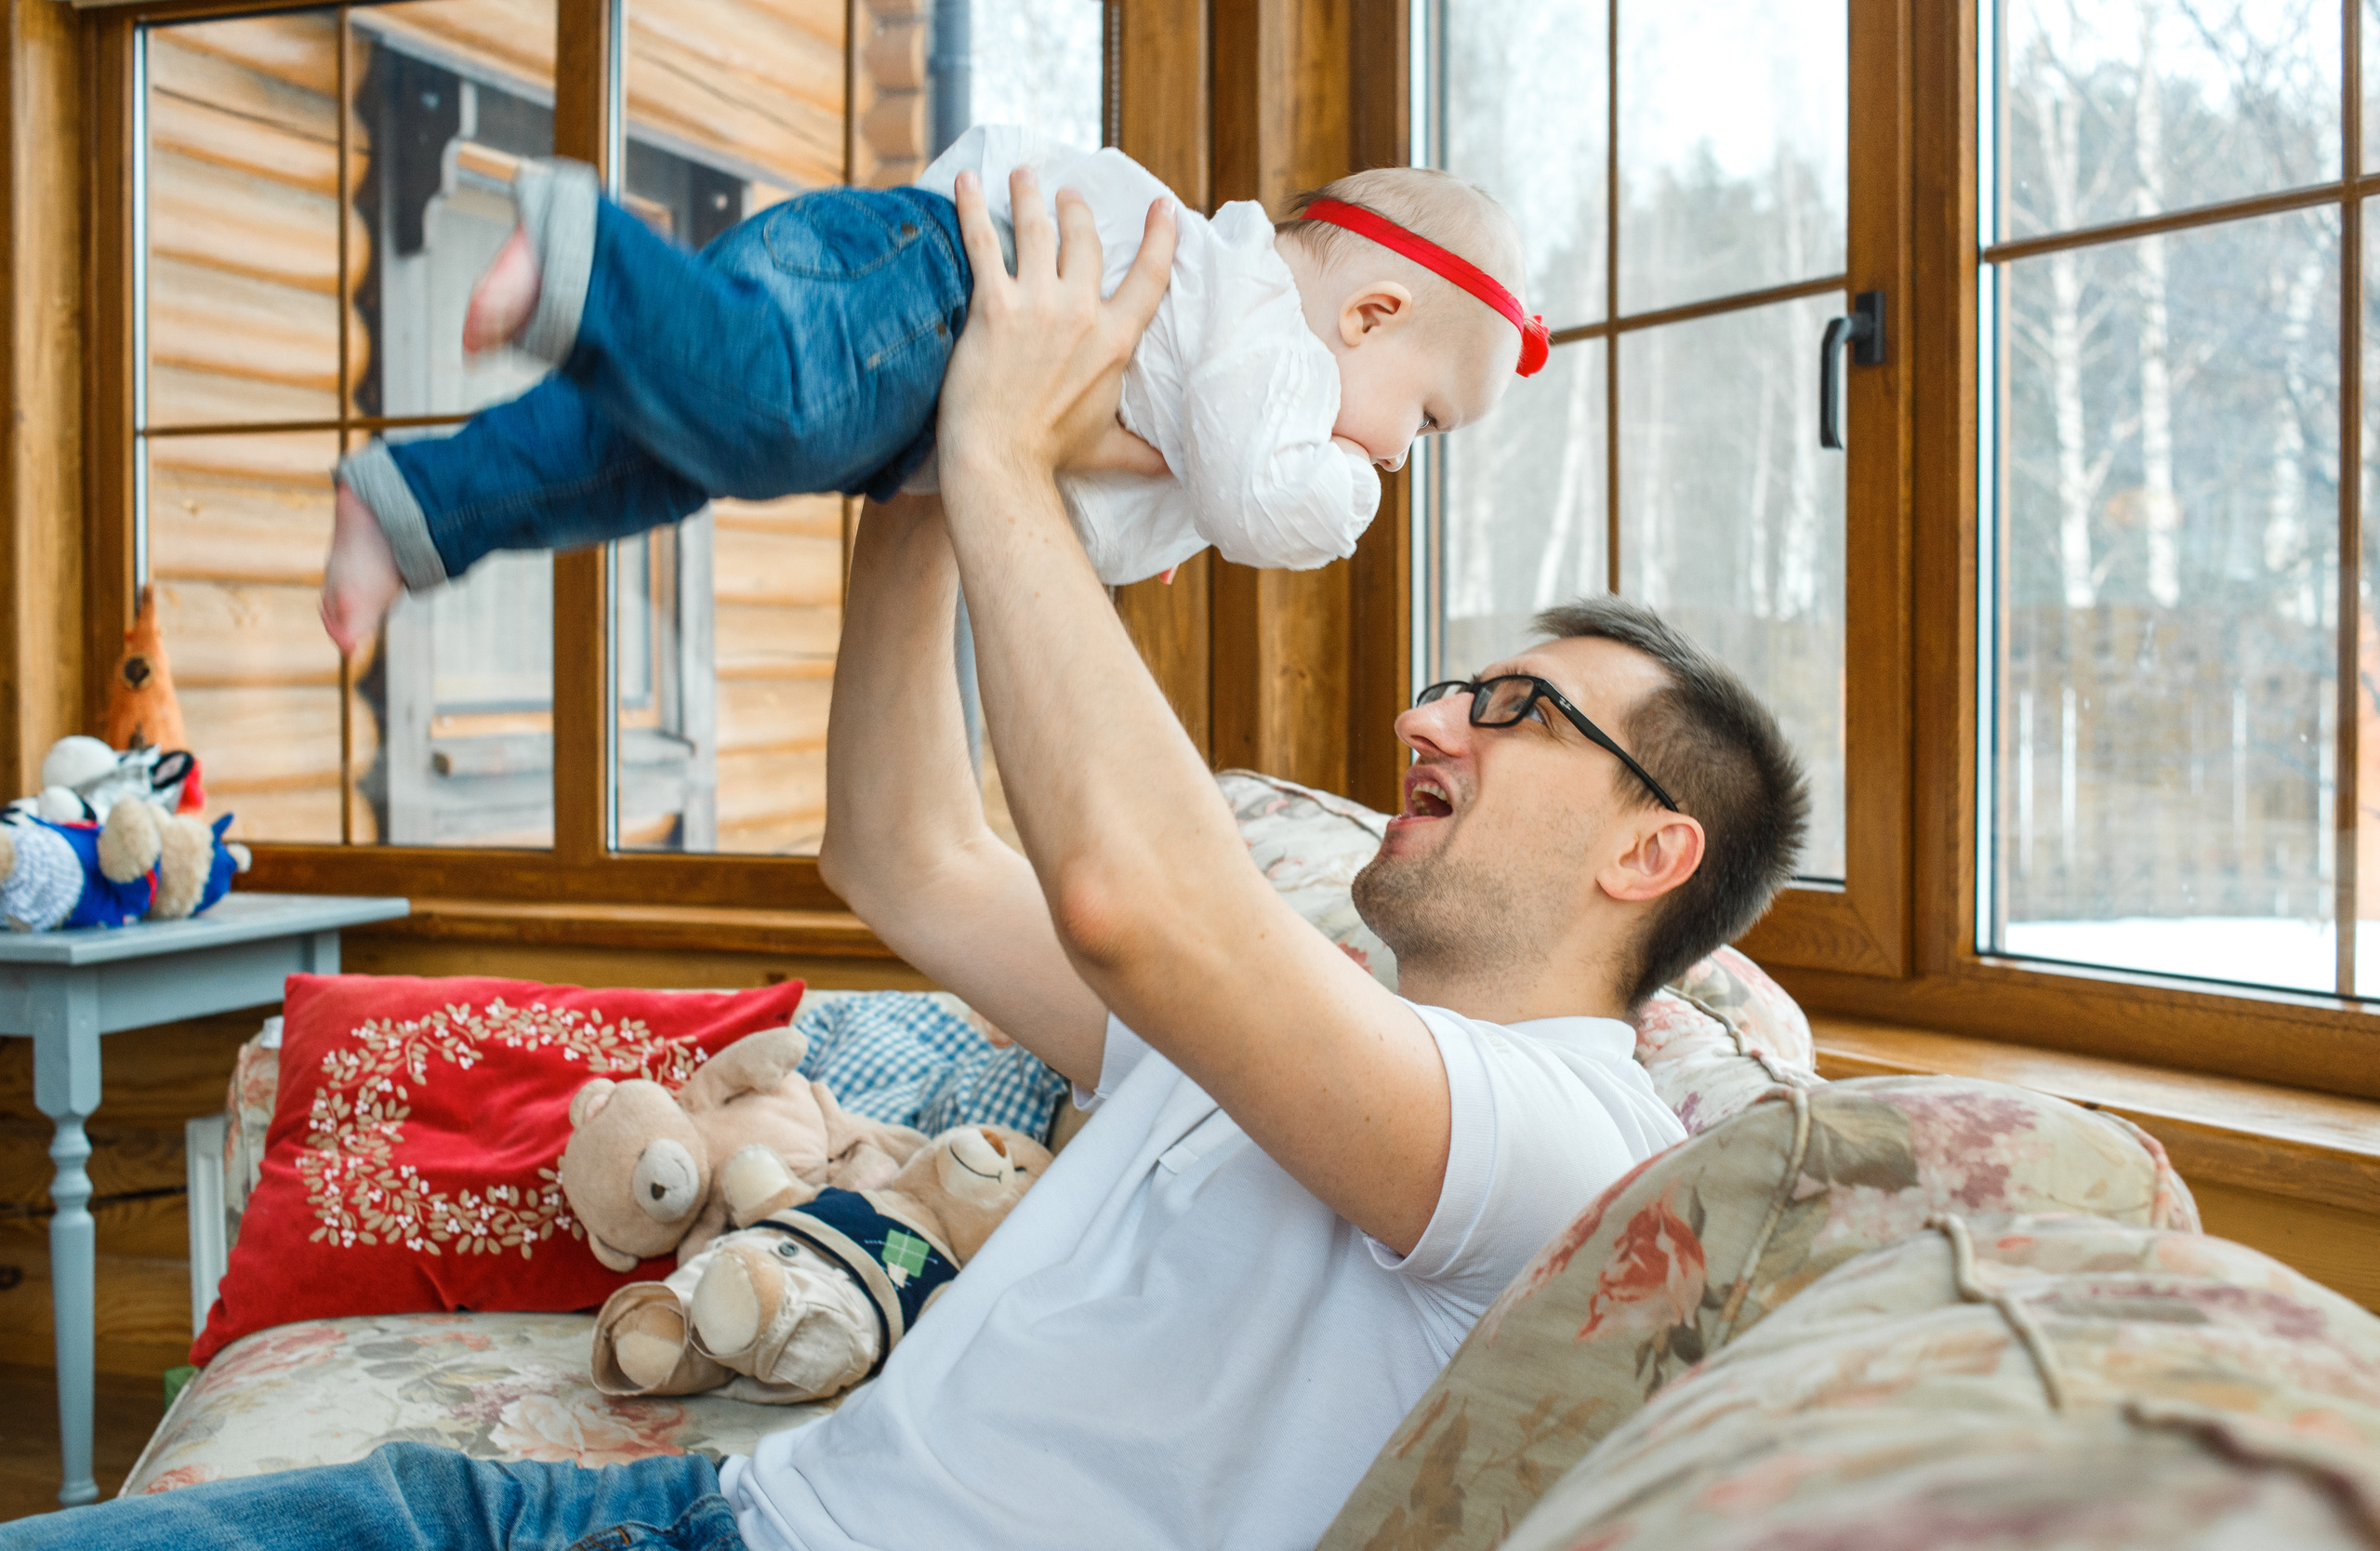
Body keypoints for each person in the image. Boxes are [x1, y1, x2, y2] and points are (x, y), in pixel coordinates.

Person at [4, 169, 1805, 1551]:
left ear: (1655, 846)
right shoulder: (1298, 1034)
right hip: (654, 1515)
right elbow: (905, 855)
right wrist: (935, 471)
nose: (1432, 721)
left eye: (1513, 710)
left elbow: (1136, 907)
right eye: (1455, 688)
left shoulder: (1568, 1146)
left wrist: (1014, 455)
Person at [318, 126, 1544, 656]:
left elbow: (1094, 495)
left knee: (646, 466)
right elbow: (1270, 499)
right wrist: (1325, 489)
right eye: (1423, 421)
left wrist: (1147, 517)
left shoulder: (1245, 356)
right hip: (936, 280)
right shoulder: (1265, 329)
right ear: (1368, 314)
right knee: (770, 416)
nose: (1393, 458)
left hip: (917, 363)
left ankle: (412, 508)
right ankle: (584, 255)